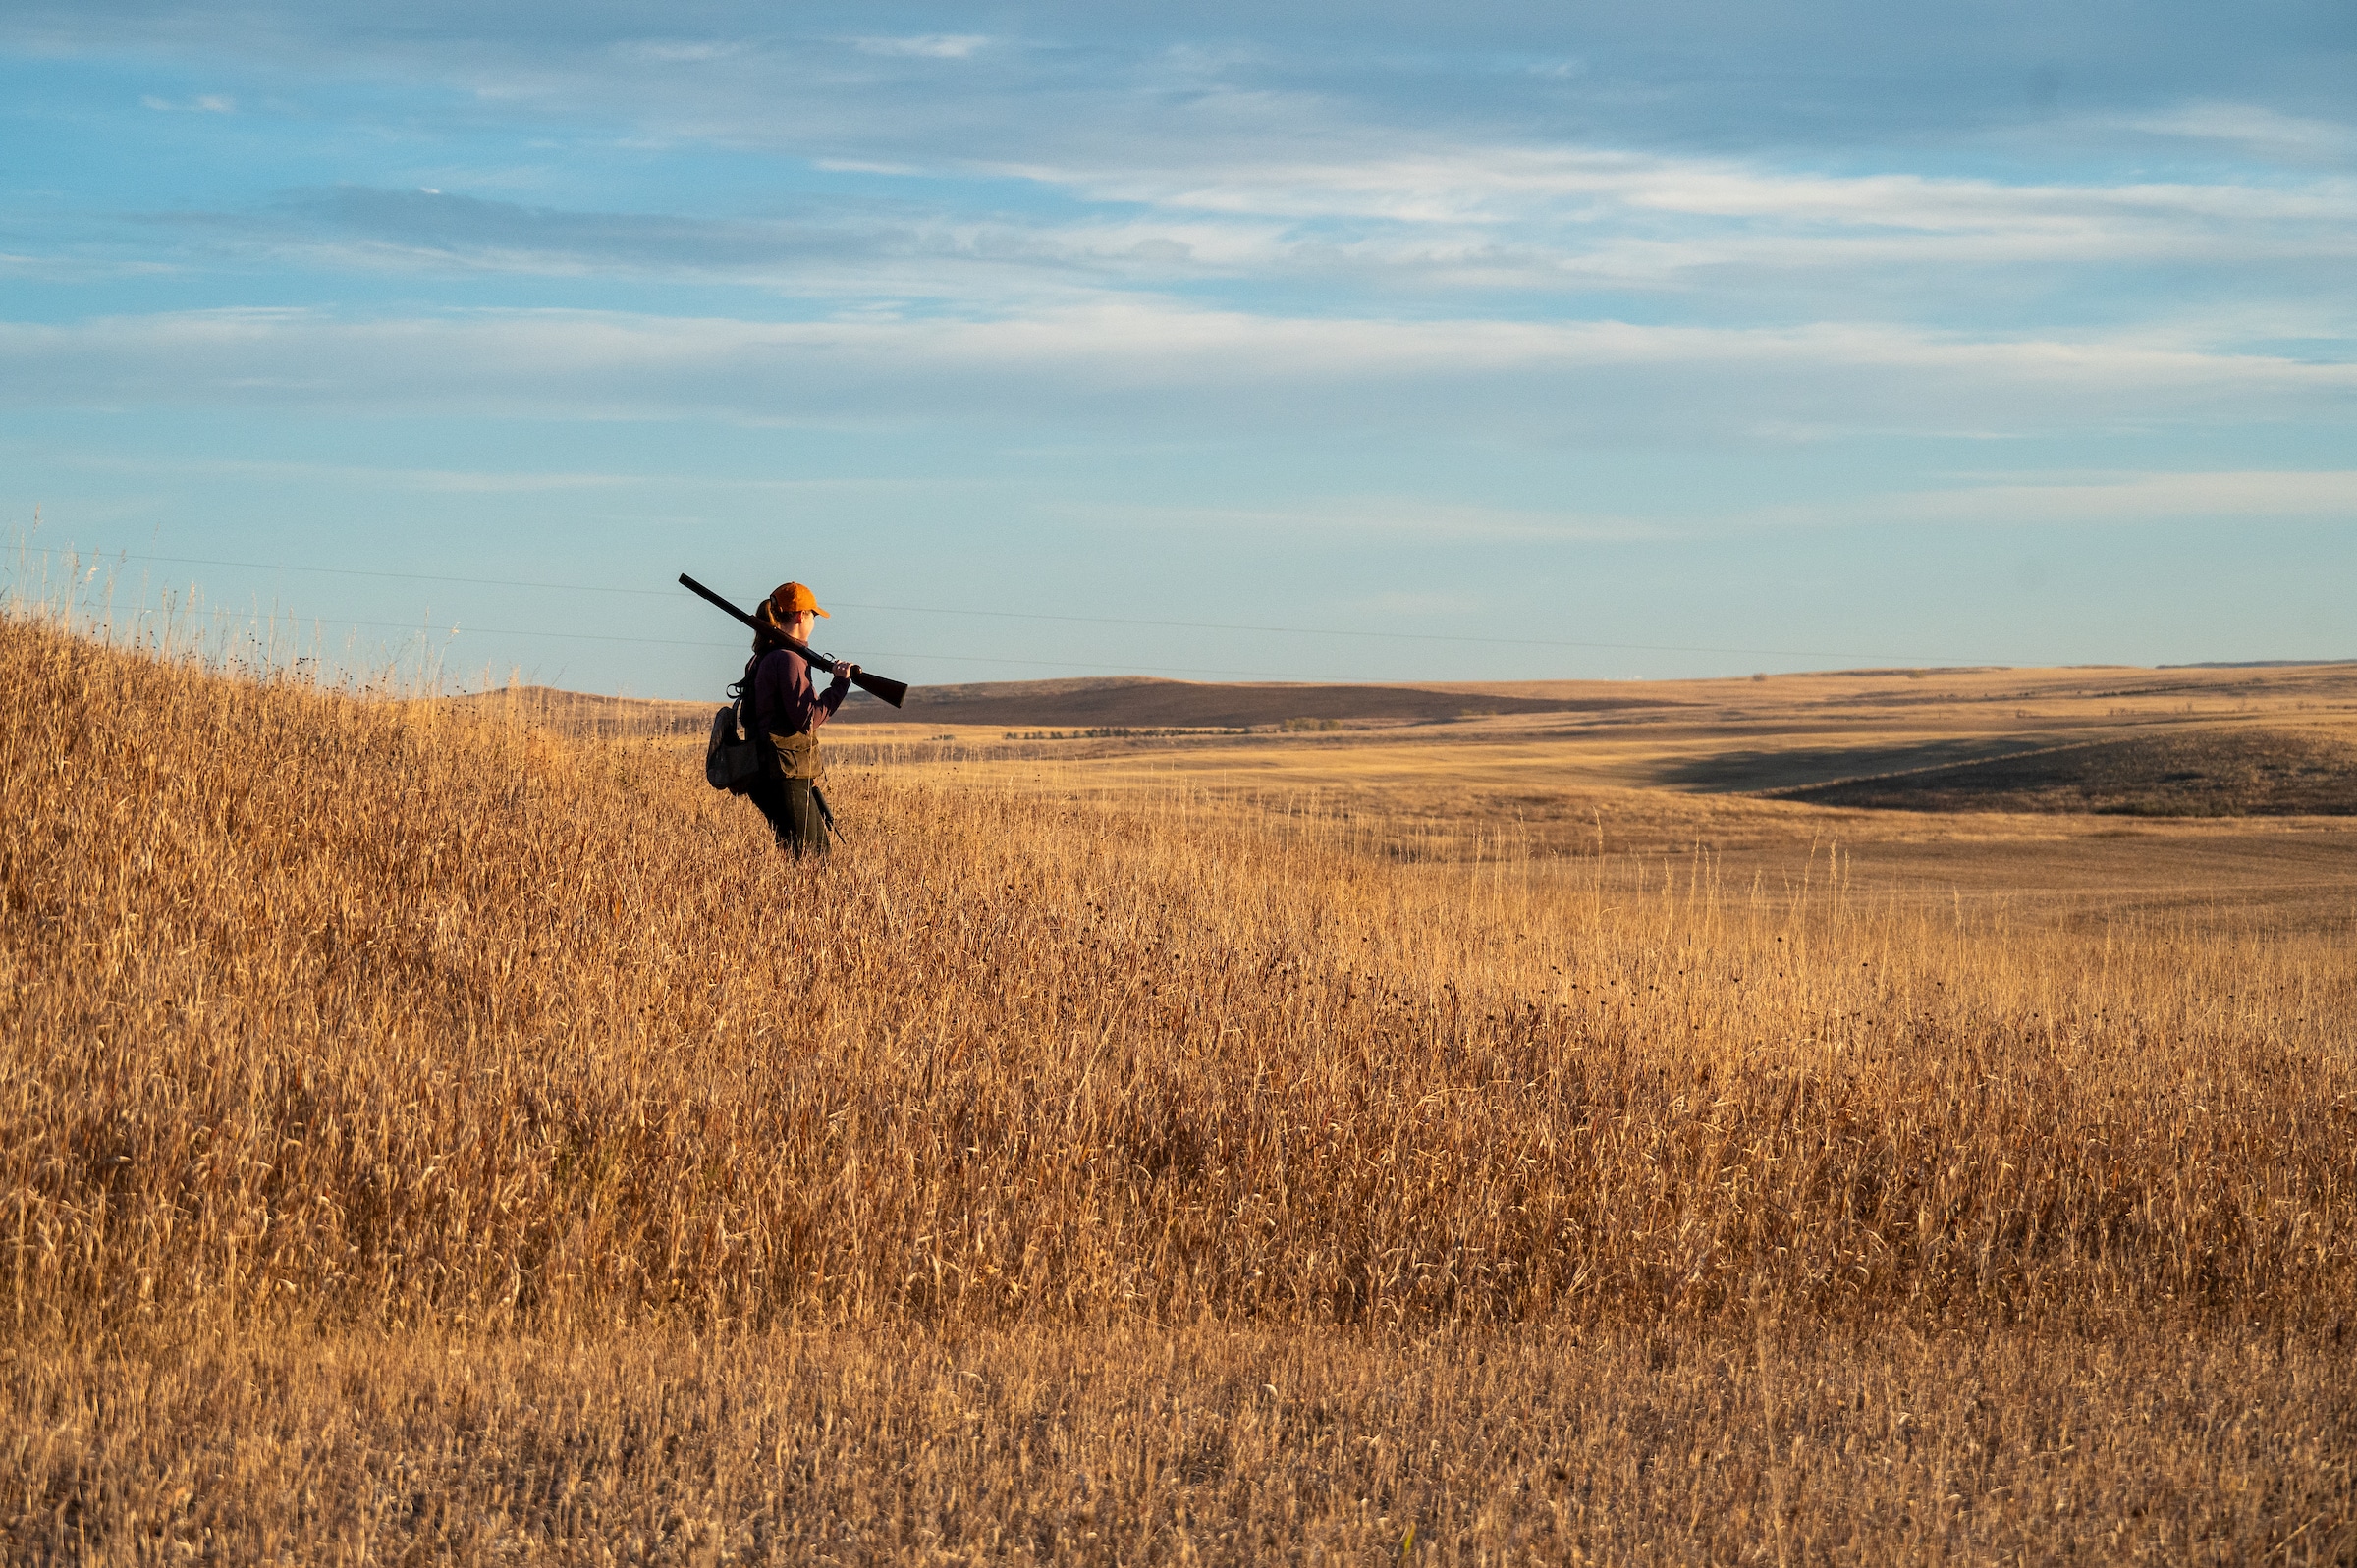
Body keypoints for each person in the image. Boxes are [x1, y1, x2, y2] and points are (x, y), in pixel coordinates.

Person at [734, 581, 859, 856]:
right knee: (812, 857)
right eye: (814, 615)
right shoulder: (788, 659)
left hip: (774, 769)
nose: (815, 621)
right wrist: (840, 684)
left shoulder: (764, 656)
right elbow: (807, 718)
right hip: (783, 771)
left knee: (801, 854)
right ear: (801, 615)